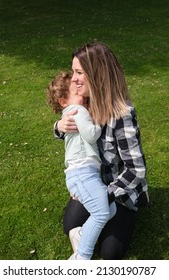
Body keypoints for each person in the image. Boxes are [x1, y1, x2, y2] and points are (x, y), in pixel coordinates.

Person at [54, 42, 149, 260]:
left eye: (79, 72)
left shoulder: (122, 114)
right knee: (70, 225)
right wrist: (58, 127)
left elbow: (136, 170)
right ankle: (99, 217)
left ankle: (118, 216)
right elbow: (73, 138)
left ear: (96, 74)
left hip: (120, 190)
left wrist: (103, 194)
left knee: (110, 252)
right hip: (94, 181)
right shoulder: (83, 104)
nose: (74, 78)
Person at [47, 71, 116, 260]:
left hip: (82, 172)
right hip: (83, 172)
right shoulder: (79, 111)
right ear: (63, 101)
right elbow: (91, 135)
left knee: (111, 209)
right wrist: (100, 120)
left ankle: (82, 234)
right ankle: (81, 258)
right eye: (77, 93)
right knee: (102, 213)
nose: (83, 96)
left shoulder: (70, 112)